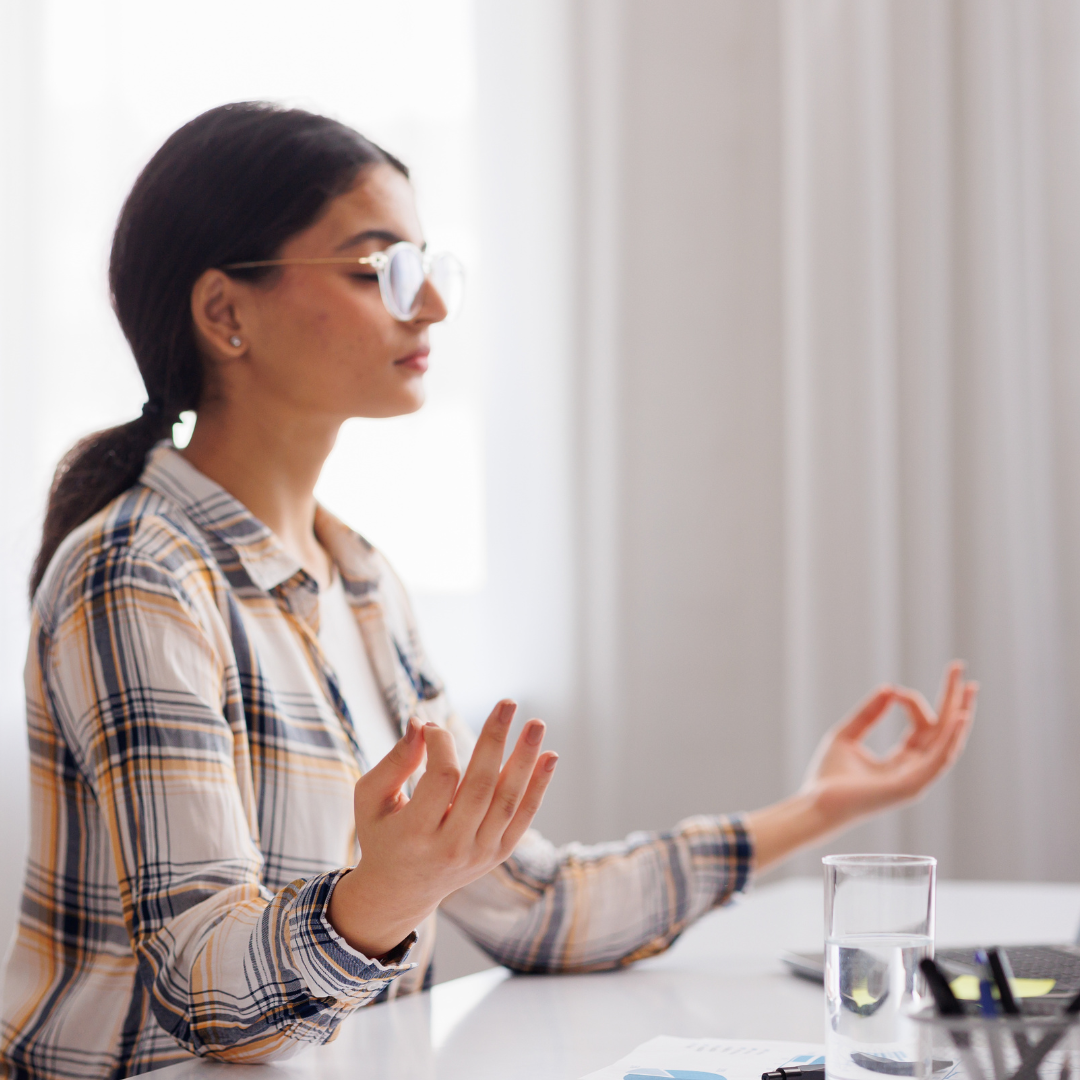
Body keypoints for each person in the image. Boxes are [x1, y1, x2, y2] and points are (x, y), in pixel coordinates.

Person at [0, 103, 976, 1080]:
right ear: (225, 313)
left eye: (428, 265)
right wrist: (379, 897)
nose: (429, 305)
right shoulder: (137, 574)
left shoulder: (362, 582)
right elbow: (218, 1004)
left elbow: (534, 907)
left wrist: (816, 808)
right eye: (377, 267)